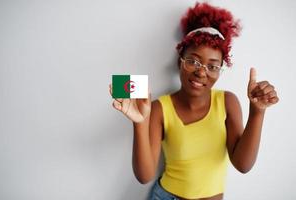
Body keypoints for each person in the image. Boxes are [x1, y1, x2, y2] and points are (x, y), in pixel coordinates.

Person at [109, 2, 279, 200]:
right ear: (180, 60)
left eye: (212, 66)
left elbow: (243, 165)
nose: (201, 72)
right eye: (193, 61)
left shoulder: (228, 102)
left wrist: (257, 112)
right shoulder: (159, 108)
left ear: (221, 70)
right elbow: (144, 176)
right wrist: (139, 123)